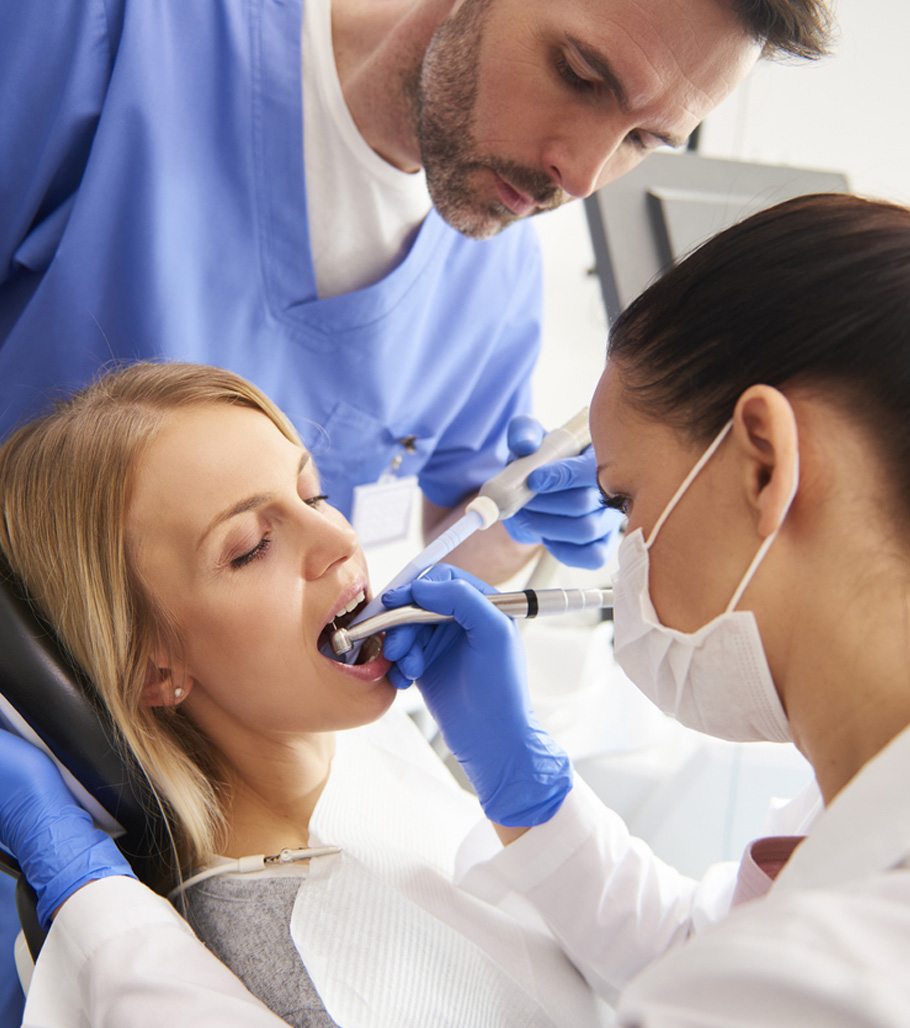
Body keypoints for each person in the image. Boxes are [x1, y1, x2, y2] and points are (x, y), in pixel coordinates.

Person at [0, 1, 834, 1015]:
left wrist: (505, 527)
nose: (582, 171)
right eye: (579, 72)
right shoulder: (102, 40)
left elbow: (425, 555)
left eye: (650, 141)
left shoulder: (493, 275)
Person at [381, 192, 910, 1024]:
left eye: (625, 503)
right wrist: (531, 789)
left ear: (765, 462)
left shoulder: (840, 979)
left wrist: (108, 925)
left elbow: (736, 987)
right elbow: (708, 951)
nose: (628, 550)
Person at [0, 361, 611, 1027]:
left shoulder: (335, 735)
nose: (339, 538)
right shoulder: (292, 971)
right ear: (152, 670)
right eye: (252, 548)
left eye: (314, 496)